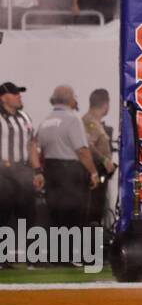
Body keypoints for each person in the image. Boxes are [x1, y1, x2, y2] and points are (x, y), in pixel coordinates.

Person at [34, 85, 99, 242]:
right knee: (75, 213)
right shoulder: (73, 119)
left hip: (51, 170)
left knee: (56, 213)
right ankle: (73, 253)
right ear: (70, 100)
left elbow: (35, 148)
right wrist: (93, 172)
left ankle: (57, 253)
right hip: (71, 172)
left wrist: (38, 171)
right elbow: (82, 151)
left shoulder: (46, 121)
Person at [0, 82, 41, 257]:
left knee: (29, 213)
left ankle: (33, 256)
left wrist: (38, 170)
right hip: (3, 171)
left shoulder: (25, 118)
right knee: (3, 213)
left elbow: (32, 145)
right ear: (3, 97)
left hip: (23, 170)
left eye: (19, 93)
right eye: (15, 93)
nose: (19, 96)